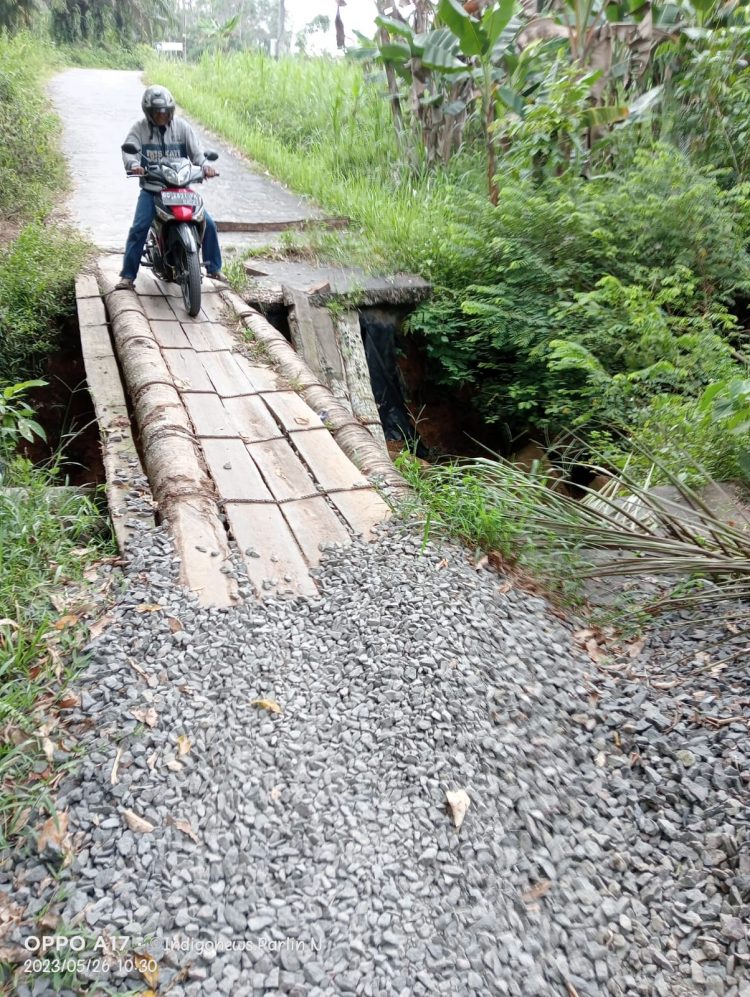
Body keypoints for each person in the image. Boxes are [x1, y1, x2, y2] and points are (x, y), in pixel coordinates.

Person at [115, 85, 225, 290]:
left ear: (171, 111)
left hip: (181, 190)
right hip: (153, 189)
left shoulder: (182, 128)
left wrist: (205, 167)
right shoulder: (139, 129)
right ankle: (128, 276)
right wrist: (134, 165)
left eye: (165, 112)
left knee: (208, 223)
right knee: (139, 228)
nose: (161, 116)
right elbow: (129, 152)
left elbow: (198, 154)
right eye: (157, 113)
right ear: (148, 113)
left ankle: (214, 268)